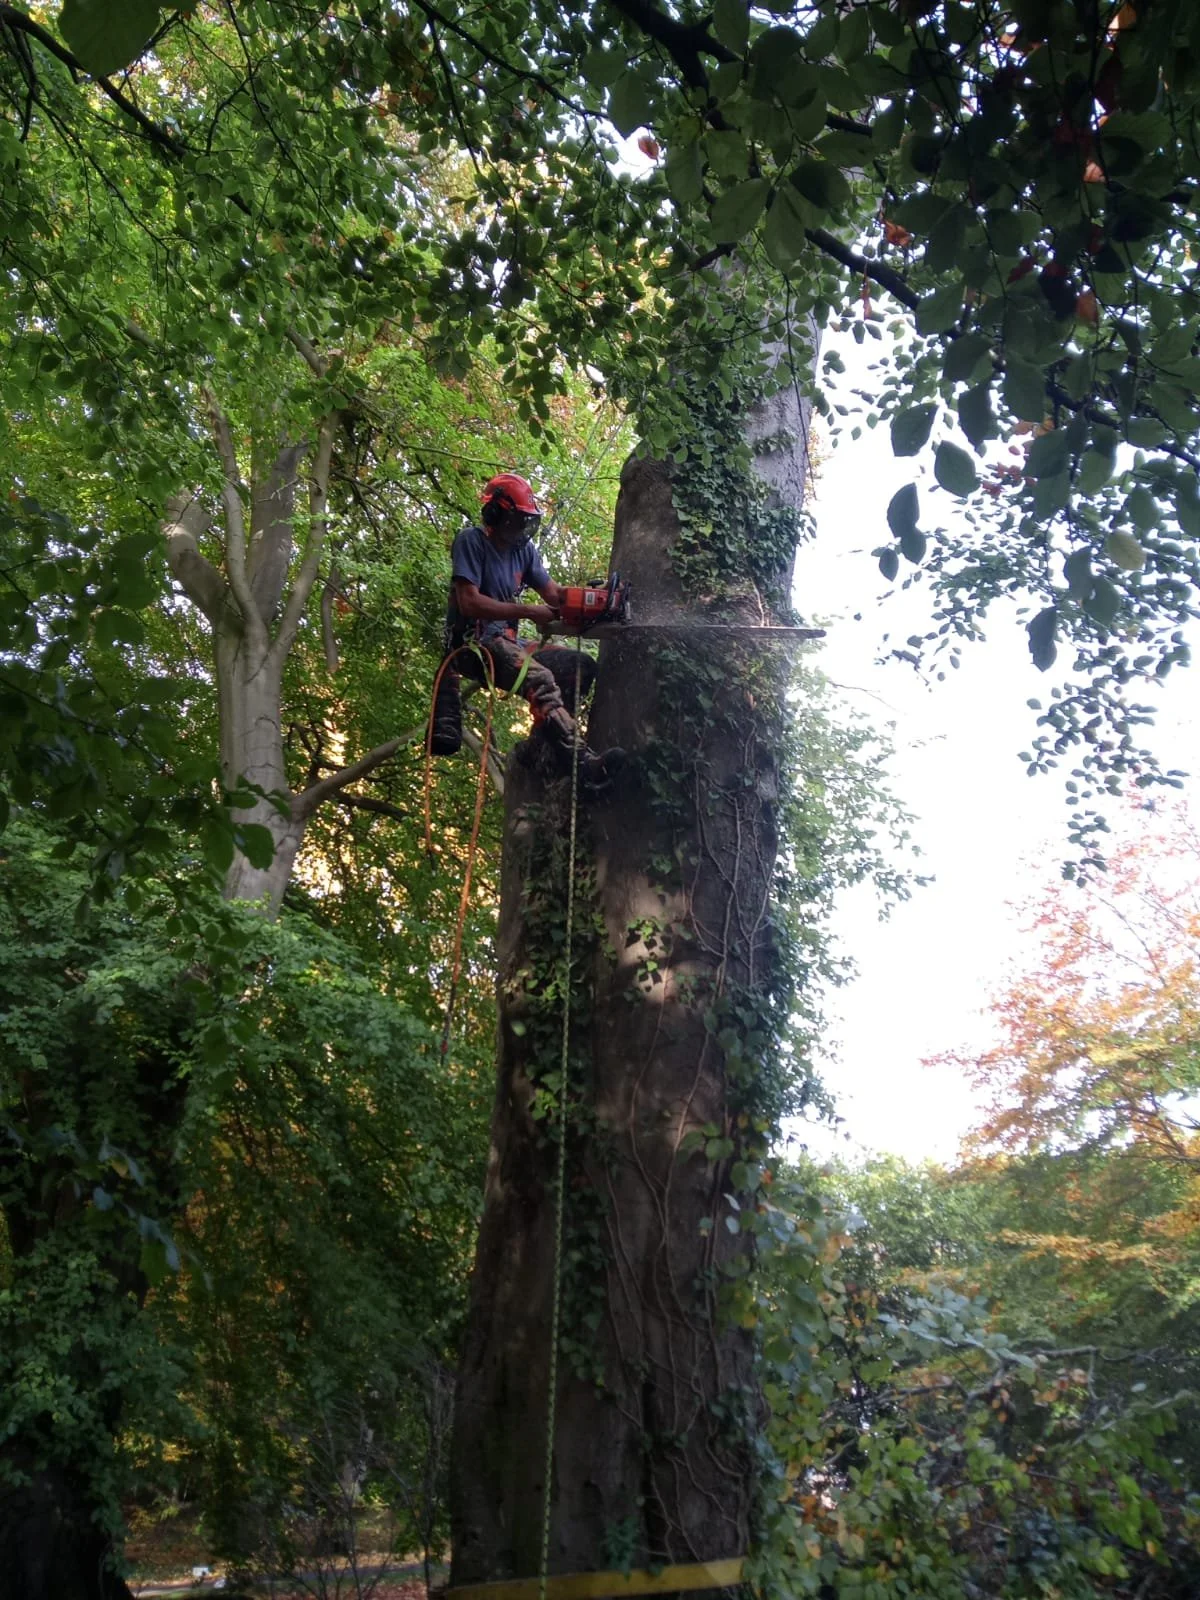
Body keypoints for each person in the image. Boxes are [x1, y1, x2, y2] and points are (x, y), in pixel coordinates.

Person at [430, 472, 622, 787]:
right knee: (539, 678)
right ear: (496, 514)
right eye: (517, 520)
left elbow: (554, 596)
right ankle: (580, 763)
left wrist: (595, 604)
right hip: (474, 646)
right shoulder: (472, 542)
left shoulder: (524, 551)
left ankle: (541, 749)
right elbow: (469, 603)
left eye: (526, 521)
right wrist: (528, 611)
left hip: (509, 643)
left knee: (579, 667)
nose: (523, 528)